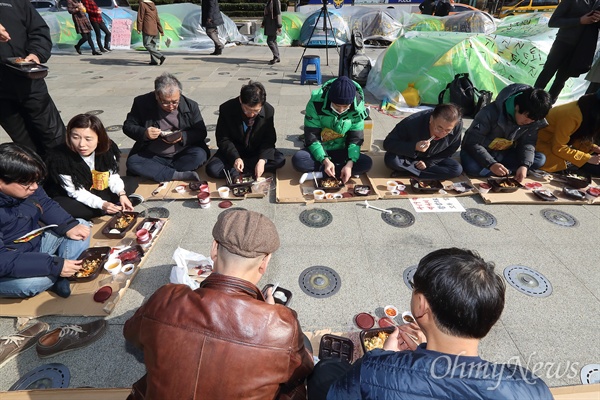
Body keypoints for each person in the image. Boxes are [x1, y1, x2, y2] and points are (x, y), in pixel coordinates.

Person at [308, 248, 553, 400]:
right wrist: (425, 352)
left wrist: (383, 356)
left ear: (421, 305)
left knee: (325, 371)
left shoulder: (375, 369)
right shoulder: (530, 387)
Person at [124, 210, 314, 399]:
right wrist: (272, 315)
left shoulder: (165, 298)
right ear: (265, 263)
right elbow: (302, 370)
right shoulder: (282, 326)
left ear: (214, 249)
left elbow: (131, 333)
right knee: (301, 346)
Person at [0, 143, 91, 299]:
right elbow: (3, 261)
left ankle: (60, 273)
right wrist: (51, 265)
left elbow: (45, 203)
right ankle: (59, 272)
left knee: (81, 225)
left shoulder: (29, 185)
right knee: (31, 284)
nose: (34, 187)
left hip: (36, 244)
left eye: (37, 181)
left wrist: (68, 225)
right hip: (7, 264)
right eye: (27, 183)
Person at [0, 2, 65, 158]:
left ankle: (67, 176)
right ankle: (37, 178)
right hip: (2, 96)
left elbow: (39, 31)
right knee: (24, 145)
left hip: (30, 83)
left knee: (54, 136)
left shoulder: (17, 3)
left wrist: (36, 53)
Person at [45, 114, 139, 220]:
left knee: (131, 182)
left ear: (99, 138)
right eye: (75, 137)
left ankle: (111, 206)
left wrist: (122, 194)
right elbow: (75, 192)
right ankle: (107, 208)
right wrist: (102, 204)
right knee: (62, 206)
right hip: (73, 194)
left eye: (88, 139)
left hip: (97, 188)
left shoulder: (107, 148)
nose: (81, 144)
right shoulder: (59, 157)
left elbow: (112, 176)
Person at [123, 73, 210, 182]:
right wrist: (144, 133)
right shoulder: (142, 103)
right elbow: (128, 126)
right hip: (154, 154)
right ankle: (177, 175)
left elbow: (201, 132)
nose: (171, 106)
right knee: (133, 162)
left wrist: (183, 136)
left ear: (180, 95)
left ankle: (160, 172)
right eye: (165, 103)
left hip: (182, 153)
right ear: (156, 95)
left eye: (175, 102)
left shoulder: (190, 105)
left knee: (199, 155)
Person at [460, 84, 552, 182]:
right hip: (480, 152)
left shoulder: (533, 120)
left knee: (539, 159)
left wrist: (524, 165)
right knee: (472, 167)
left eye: (533, 120)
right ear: (517, 107)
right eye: (527, 117)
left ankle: (502, 170)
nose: (528, 121)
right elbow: (471, 142)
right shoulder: (489, 113)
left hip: (503, 153)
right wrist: (491, 164)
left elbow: (527, 143)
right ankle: (505, 170)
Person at [292, 76, 373, 184]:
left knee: (366, 163)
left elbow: (355, 139)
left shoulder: (358, 109)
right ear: (330, 99)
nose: (341, 110)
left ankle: (321, 173)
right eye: (337, 105)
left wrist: (350, 163)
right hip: (321, 148)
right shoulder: (316, 103)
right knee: (299, 160)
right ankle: (335, 169)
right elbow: (311, 137)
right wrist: (325, 160)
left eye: (345, 106)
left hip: (342, 150)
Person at [206, 81, 285, 180]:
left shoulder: (269, 110)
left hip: (256, 150)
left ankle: (239, 170)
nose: (251, 114)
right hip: (234, 150)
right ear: (240, 100)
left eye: (256, 111)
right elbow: (223, 139)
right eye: (247, 109)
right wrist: (235, 158)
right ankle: (244, 167)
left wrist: (262, 160)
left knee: (280, 159)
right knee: (212, 169)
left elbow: (269, 139)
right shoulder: (226, 109)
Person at [533, 0, 600, 103]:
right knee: (547, 73)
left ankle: (547, 107)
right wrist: (580, 21)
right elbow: (553, 22)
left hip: (582, 49)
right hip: (563, 43)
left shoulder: (597, 3)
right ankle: (532, 102)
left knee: (561, 80)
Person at [383, 103, 463, 181]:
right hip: (409, 156)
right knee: (392, 160)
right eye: (439, 128)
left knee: (456, 169)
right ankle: (423, 174)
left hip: (433, 157)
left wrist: (428, 163)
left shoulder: (456, 126)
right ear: (431, 119)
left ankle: (408, 172)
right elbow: (388, 143)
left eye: (447, 130)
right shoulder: (411, 122)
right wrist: (414, 146)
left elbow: (451, 149)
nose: (441, 133)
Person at [536, 90, 600, 176]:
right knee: (561, 162)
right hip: (541, 144)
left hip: (554, 144)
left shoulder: (584, 109)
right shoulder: (571, 115)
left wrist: (592, 147)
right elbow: (558, 147)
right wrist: (587, 158)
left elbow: (574, 136)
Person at [137, 0, 165, 66]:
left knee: (146, 44)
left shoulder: (142, 4)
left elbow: (140, 17)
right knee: (153, 45)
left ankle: (160, 56)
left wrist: (139, 28)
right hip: (155, 28)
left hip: (147, 28)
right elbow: (157, 18)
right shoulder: (153, 5)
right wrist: (161, 30)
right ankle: (154, 61)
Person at [263, 0, 282, 65]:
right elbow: (266, 13)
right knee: (273, 40)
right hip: (269, 23)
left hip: (273, 24)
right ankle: (277, 57)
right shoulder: (269, 1)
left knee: (270, 41)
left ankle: (276, 56)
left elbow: (278, 13)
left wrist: (279, 25)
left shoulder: (275, 1)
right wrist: (263, 23)